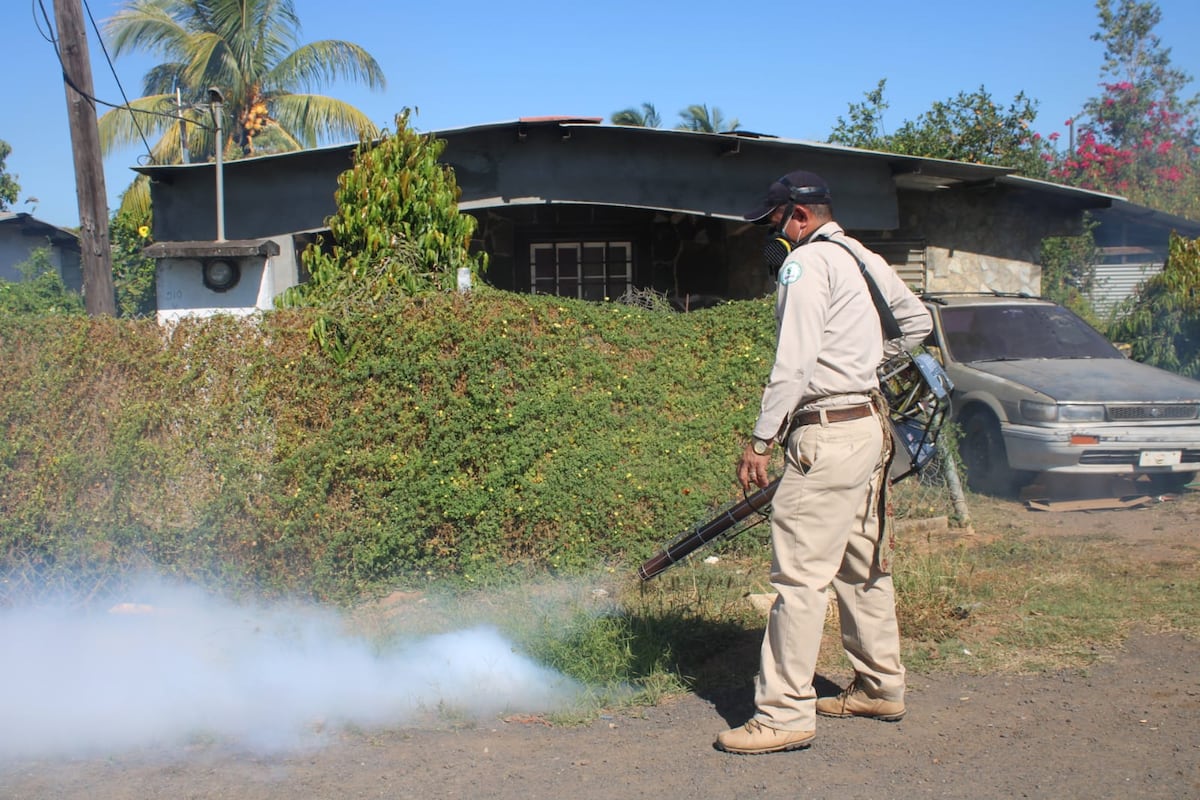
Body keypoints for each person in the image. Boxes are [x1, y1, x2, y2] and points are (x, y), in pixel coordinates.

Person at [715, 170, 932, 755]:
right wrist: (865, 363)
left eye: (773, 223)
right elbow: (918, 323)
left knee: (800, 578)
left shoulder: (805, 264)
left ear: (798, 217)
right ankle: (879, 687)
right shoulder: (861, 255)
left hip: (828, 432)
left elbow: (793, 364)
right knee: (862, 562)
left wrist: (761, 441)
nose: (771, 235)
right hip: (870, 427)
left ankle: (784, 713)